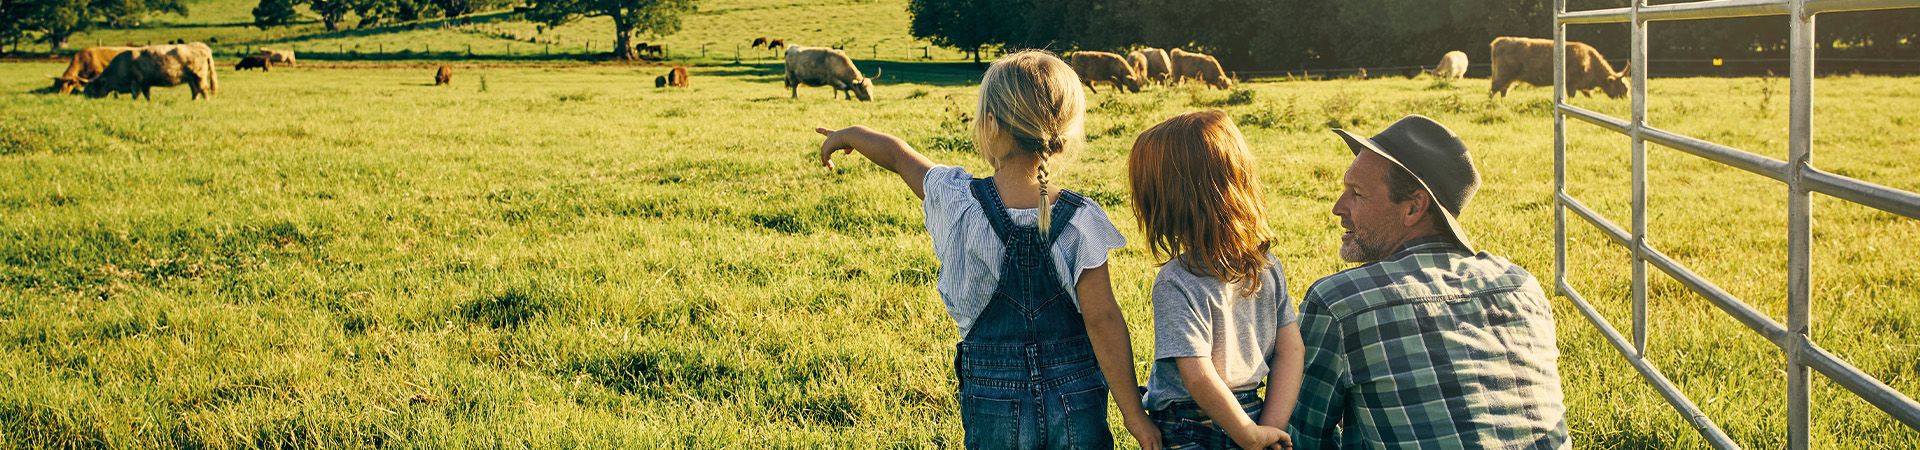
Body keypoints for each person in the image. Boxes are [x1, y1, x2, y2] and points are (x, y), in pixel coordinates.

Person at [815, 50, 1160, 449]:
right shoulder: (1082, 219)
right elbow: (1103, 321)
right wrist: (1134, 415)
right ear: (1063, 135)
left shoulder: (959, 201)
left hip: (993, 399)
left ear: (991, 126)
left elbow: (897, 155)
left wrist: (851, 134)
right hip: (1076, 398)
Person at [1288, 115, 1569, 449]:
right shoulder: (1521, 287)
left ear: (1414, 207)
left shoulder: (1339, 303)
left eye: (1357, 193)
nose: (1338, 207)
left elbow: (1299, 439)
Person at [1128, 111, 1304, 450]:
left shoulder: (1176, 280)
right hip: (1252, 411)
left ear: (1166, 205)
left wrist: (1250, 437)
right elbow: (1291, 349)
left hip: (1189, 425)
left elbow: (1197, 375)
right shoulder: (1267, 267)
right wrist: (1269, 427)